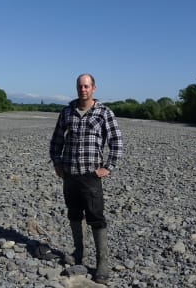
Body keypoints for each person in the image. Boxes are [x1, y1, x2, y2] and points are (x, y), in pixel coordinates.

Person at [49, 73, 123, 284]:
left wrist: (108, 166)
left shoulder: (103, 113)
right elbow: (56, 139)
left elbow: (116, 141)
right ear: (76, 88)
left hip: (91, 176)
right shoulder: (67, 112)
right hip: (69, 174)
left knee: (96, 217)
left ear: (94, 88)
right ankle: (78, 253)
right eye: (80, 86)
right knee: (74, 213)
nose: (83, 89)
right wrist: (57, 162)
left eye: (87, 86)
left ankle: (102, 263)